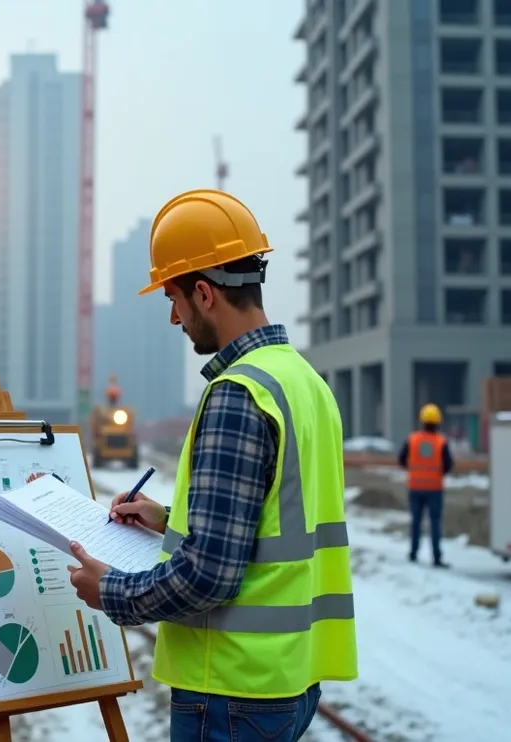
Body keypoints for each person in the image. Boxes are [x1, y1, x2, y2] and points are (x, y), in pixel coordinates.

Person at [65, 189, 357, 742]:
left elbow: (210, 575)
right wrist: (170, 516)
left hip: (231, 688)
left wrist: (113, 594)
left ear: (203, 292)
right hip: (289, 678)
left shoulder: (239, 393)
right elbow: (274, 517)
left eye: (173, 298)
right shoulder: (304, 382)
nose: (174, 317)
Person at [399, 403, 454, 568]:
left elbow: (401, 459)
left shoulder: (412, 439)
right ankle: (436, 556)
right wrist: (437, 474)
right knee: (435, 522)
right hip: (435, 489)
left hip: (415, 487)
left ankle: (413, 553)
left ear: (422, 421)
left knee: (416, 521)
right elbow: (449, 464)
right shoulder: (441, 442)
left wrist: (414, 471)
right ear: (438, 422)